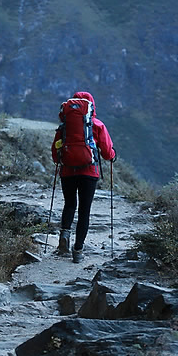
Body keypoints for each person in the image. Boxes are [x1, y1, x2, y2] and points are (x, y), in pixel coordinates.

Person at [51, 91, 116, 263]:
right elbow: (107, 151)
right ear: (91, 106)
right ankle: (78, 250)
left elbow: (55, 151)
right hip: (89, 172)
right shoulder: (96, 124)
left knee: (69, 204)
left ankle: (64, 236)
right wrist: (112, 155)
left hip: (68, 171)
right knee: (84, 210)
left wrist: (60, 161)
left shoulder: (65, 126)